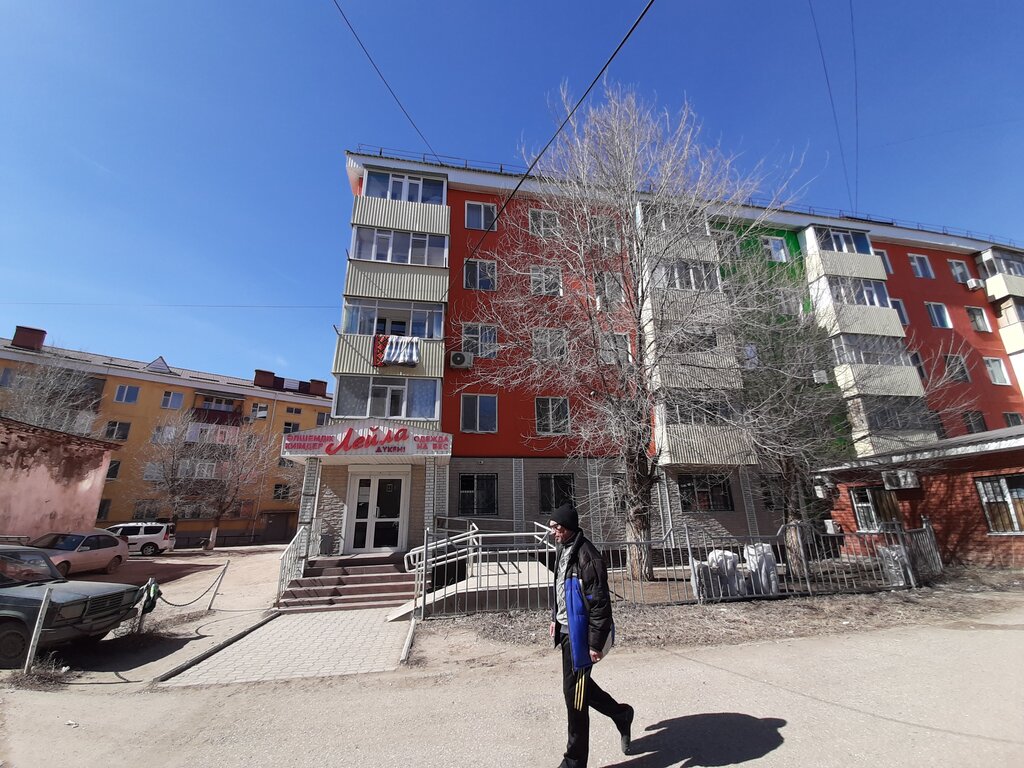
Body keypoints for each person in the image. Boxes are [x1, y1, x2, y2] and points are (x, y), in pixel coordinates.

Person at [548, 502, 633, 768]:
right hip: (566, 630)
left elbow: (600, 604)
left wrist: (594, 643)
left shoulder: (588, 556)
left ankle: (573, 761)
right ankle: (621, 714)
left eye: (556, 527)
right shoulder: (563, 550)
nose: (553, 532)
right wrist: (555, 619)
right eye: (552, 527)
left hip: (582, 637)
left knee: (575, 698)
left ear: (568, 527)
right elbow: (560, 588)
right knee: (576, 690)